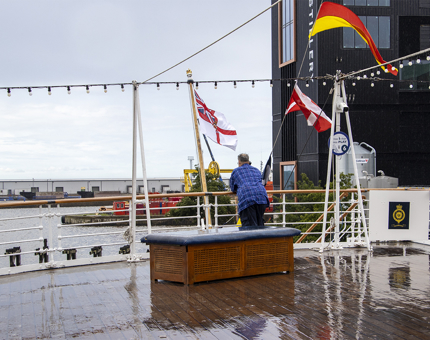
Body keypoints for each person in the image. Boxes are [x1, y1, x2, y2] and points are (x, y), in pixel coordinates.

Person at [229, 153, 269, 226]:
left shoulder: (236, 171)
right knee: (260, 224)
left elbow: (232, 188)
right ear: (248, 161)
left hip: (247, 199)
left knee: (249, 227)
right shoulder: (256, 170)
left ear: (239, 162)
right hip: (262, 197)